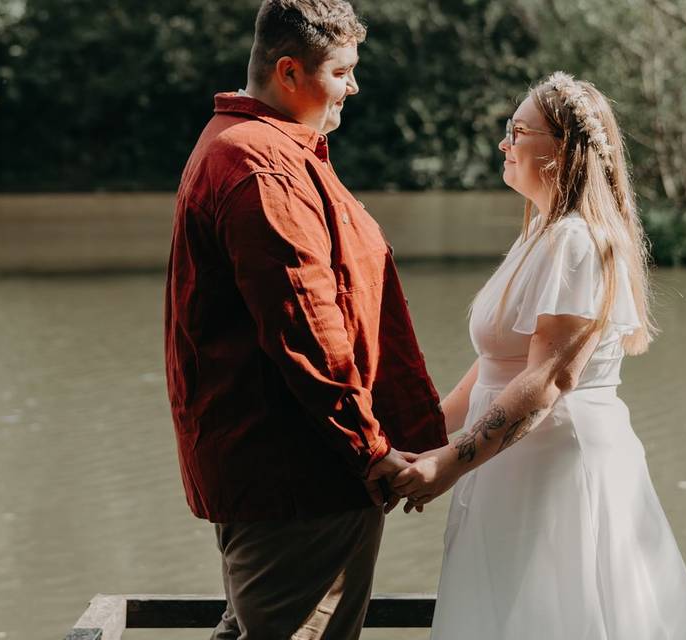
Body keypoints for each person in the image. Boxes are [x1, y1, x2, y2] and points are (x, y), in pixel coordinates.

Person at [392, 72, 686, 639]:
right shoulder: (542, 233)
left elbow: (548, 377)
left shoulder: (578, 240)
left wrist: (451, 462)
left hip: (556, 471)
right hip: (509, 462)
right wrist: (425, 437)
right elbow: (499, 364)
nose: (504, 143)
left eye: (518, 130)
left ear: (562, 149)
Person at [163, 1, 447, 638]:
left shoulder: (259, 148)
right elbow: (308, 331)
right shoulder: (260, 167)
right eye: (343, 71)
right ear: (289, 72)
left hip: (289, 474)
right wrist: (371, 451)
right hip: (301, 479)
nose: (355, 85)